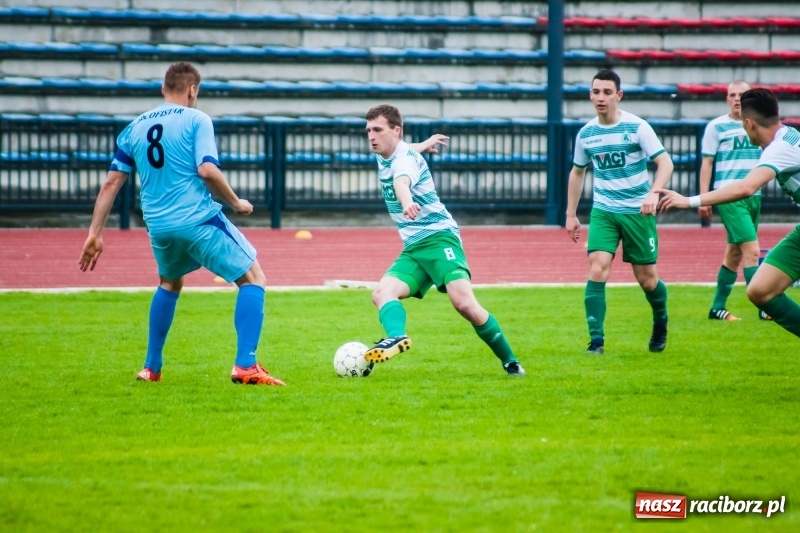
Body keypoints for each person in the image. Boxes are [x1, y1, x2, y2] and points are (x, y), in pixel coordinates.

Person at [78, 62, 284, 386]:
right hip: (197, 218)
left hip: (158, 226)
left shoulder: (136, 127)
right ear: (192, 91)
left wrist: (94, 233)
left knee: (169, 284)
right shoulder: (197, 119)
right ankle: (246, 365)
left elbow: (111, 182)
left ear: (163, 89)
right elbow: (207, 170)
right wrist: (236, 202)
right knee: (253, 277)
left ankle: (151, 368)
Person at [361, 104, 526, 376]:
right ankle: (396, 337)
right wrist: (424, 143)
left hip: (440, 239)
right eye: (368, 130)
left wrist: (407, 201)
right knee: (381, 293)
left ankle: (510, 361)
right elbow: (404, 147)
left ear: (396, 131)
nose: (371, 136)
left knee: (464, 304)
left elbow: (401, 181)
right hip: (415, 247)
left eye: (377, 130)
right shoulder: (387, 151)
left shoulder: (403, 161)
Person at [658, 87, 800, 340]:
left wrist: (688, 201)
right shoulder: (788, 134)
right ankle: (719, 306)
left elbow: (746, 187)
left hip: (743, 198)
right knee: (760, 290)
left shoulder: (778, 149)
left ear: (748, 123)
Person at [565, 69, 674, 355]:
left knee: (647, 279)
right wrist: (570, 214)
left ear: (618, 95)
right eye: (596, 92)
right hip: (604, 211)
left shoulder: (637, 127)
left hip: (638, 212)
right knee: (597, 268)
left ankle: (661, 320)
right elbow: (578, 172)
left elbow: (665, 163)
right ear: (590, 95)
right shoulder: (586, 134)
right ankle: (596, 341)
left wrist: (653, 193)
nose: (601, 98)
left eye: (607, 92)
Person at [699, 80, 769, 321]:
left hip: (753, 194)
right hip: (729, 195)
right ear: (726, 99)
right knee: (752, 250)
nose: (737, 98)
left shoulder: (758, 125)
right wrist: (704, 199)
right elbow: (706, 163)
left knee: (734, 254)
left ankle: (717, 308)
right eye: (732, 94)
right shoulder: (716, 127)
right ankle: (765, 307)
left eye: (742, 94)